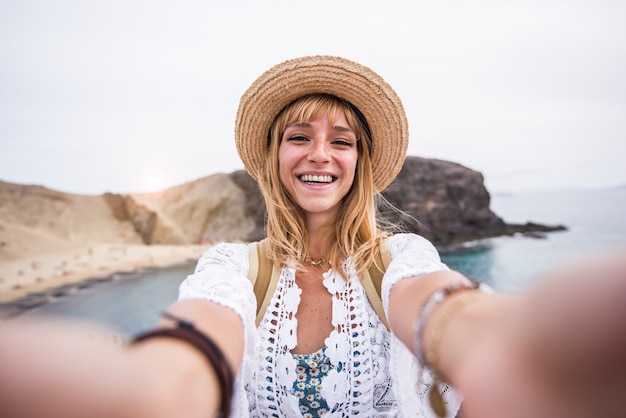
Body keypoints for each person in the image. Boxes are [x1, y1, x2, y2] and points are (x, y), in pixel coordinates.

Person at [0, 55, 625, 418]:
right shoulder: (231, 270)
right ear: (274, 156)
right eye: (299, 136)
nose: (319, 154)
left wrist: (513, 345)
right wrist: (151, 387)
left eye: (342, 140)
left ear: (361, 161)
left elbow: (443, 312)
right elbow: (203, 336)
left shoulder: (399, 261)